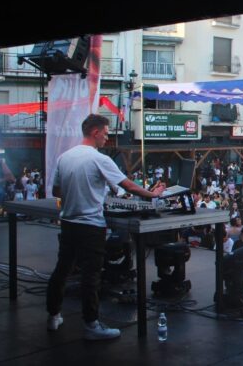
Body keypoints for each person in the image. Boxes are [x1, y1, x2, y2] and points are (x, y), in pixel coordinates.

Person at [46, 114, 166, 340]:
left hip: (69, 224)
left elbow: (56, 192)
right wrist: (153, 194)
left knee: (61, 271)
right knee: (91, 277)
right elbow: (128, 185)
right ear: (95, 132)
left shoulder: (65, 157)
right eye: (106, 133)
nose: (107, 137)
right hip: (91, 226)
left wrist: (79, 192)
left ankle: (53, 316)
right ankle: (91, 325)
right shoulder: (99, 159)